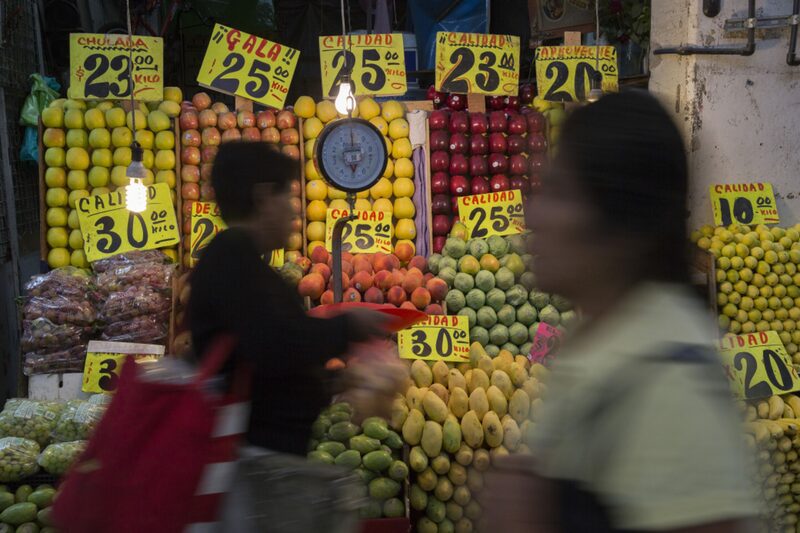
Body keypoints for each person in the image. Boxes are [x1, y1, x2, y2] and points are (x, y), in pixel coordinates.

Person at [482, 91, 761, 532]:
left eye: (559, 192)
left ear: (620, 227)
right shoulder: (599, 338)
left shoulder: (668, 379)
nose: (533, 213)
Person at [189, 141, 389, 456]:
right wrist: (349, 326)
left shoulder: (240, 259)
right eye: (289, 196)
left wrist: (335, 380)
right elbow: (277, 343)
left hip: (259, 456)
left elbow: (270, 356)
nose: (294, 210)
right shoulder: (232, 261)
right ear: (264, 197)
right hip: (248, 463)